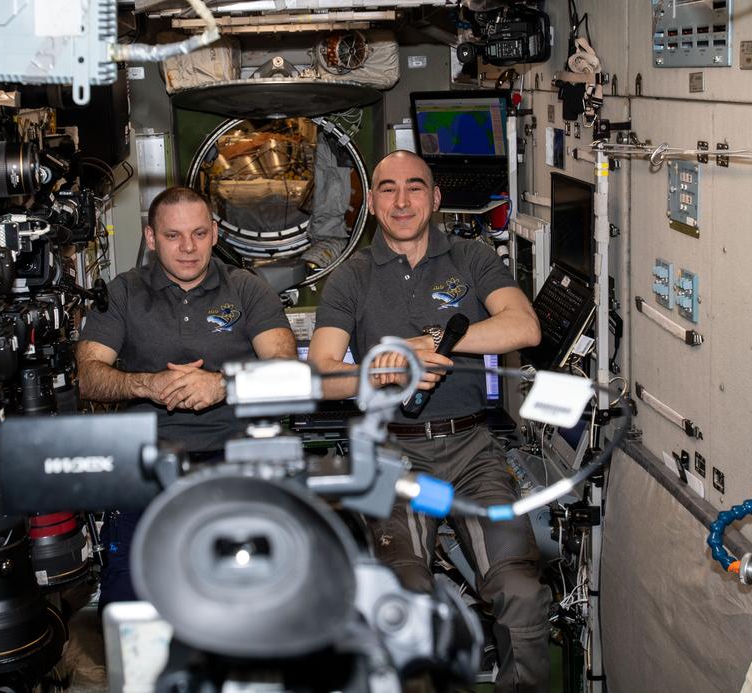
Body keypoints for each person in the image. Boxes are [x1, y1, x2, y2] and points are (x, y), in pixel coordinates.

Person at [308, 150, 551, 692]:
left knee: (520, 590)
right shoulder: (351, 278)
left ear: (435, 198)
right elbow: (323, 374)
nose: (401, 201)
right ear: (371, 204)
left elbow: (524, 327)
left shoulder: (472, 258)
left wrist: (434, 341)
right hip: (395, 456)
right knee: (405, 595)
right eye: (387, 189)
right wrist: (379, 374)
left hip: (472, 450)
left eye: (414, 188)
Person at [76, 186, 296, 607]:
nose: (189, 248)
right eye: (174, 236)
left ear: (215, 232)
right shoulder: (123, 292)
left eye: (199, 233)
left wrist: (222, 385)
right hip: (147, 463)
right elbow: (87, 376)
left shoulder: (248, 289)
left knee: (248, 599)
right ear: (151, 237)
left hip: (237, 458)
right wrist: (148, 385)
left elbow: (286, 371)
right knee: (128, 602)